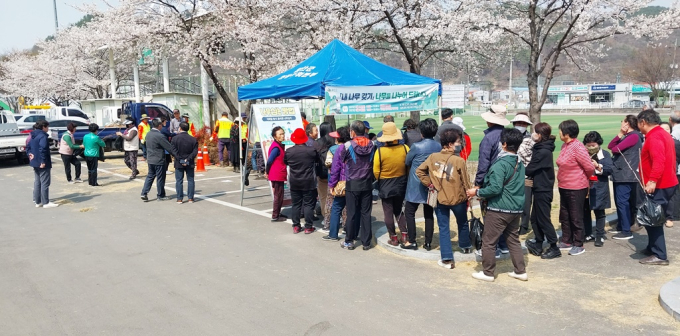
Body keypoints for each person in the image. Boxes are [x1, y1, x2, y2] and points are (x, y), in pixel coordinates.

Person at [466, 128, 527, 282]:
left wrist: (476, 193)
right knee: (513, 240)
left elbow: (495, 188)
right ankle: (520, 270)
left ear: (504, 144)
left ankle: (488, 272)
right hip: (515, 208)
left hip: (499, 208)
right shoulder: (519, 163)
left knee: (489, 241)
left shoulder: (501, 164)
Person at [418, 129, 472, 269]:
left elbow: (419, 171)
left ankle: (447, 258)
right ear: (449, 144)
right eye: (458, 143)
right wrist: (469, 195)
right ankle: (465, 245)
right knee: (463, 222)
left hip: (440, 197)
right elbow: (466, 181)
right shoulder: (459, 160)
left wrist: (429, 183)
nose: (459, 145)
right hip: (458, 198)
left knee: (444, 228)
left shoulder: (432, 157)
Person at [637, 109, 678, 265]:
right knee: (651, 216)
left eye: (639, 123)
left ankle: (660, 255)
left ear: (643, 122)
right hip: (667, 182)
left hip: (660, 184)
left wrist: (652, 180)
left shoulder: (654, 137)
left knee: (653, 218)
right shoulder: (662, 133)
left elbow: (659, 160)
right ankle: (652, 247)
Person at [556, 119, 595, 256]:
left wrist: (588, 180)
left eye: (560, 130)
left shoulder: (578, 147)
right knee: (565, 215)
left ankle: (578, 243)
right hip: (564, 185)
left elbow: (589, 167)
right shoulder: (564, 146)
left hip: (577, 186)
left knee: (576, 215)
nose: (559, 132)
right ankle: (567, 240)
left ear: (566, 132)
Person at [476, 105, 510, 257]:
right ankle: (504, 244)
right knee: (504, 213)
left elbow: (484, 164)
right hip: (509, 179)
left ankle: (494, 247)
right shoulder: (509, 135)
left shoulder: (488, 138)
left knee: (490, 215)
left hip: (491, 180)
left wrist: (478, 184)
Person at [403, 118, 441, 250]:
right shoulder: (438, 146)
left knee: (409, 212)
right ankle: (428, 242)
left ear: (421, 132)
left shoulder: (416, 146)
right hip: (432, 182)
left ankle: (412, 240)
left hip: (416, 182)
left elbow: (407, 162)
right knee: (429, 213)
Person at [338, 120, 375, 250]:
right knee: (366, 213)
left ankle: (349, 241)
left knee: (351, 213)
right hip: (367, 183)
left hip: (352, 183)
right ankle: (366, 242)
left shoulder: (347, 145)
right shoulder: (372, 144)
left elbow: (342, 159)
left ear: (352, 132)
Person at [524, 122, 560, 259]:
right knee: (535, 218)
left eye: (534, 132)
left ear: (539, 135)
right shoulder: (542, 148)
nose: (533, 134)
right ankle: (538, 243)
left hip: (543, 189)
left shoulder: (543, 152)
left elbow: (529, 169)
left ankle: (554, 247)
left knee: (544, 219)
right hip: (539, 187)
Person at [373, 122, 410, 246]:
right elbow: (408, 165)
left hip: (385, 183)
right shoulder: (405, 148)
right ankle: (405, 234)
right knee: (399, 209)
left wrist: (380, 180)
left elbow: (376, 170)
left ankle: (393, 237)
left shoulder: (380, 151)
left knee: (388, 211)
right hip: (401, 181)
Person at [607, 115, 644, 239]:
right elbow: (610, 146)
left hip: (626, 174)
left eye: (623, 122)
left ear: (628, 124)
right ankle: (622, 226)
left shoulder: (633, 136)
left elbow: (615, 149)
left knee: (623, 202)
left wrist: (620, 135)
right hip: (622, 173)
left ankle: (626, 230)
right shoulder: (630, 136)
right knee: (620, 201)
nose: (621, 123)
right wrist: (620, 134)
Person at [285, 128, 323, 234]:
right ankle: (308, 226)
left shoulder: (289, 151)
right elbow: (317, 160)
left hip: (294, 180)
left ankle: (296, 226)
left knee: (296, 204)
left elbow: (286, 162)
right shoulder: (311, 151)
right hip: (308, 180)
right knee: (308, 204)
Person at [581, 131, 613, 247]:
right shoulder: (583, 154)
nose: (590, 148)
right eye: (588, 145)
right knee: (585, 211)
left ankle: (599, 235)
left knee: (599, 212)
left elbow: (610, 170)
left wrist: (598, 167)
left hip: (599, 187)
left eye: (593, 145)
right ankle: (587, 233)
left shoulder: (605, 154)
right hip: (585, 186)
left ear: (598, 144)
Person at [323, 127, 350, 240]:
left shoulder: (334, 149)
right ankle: (348, 229)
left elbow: (330, 165)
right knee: (349, 208)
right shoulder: (352, 147)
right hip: (353, 182)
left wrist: (332, 184)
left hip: (339, 183)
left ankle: (332, 232)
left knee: (335, 207)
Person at [141, 119, 177, 201]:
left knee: (150, 176)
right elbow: (169, 147)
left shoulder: (148, 134)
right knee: (160, 178)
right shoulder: (160, 136)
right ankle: (161, 195)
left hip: (150, 159)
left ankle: (144, 193)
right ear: (159, 125)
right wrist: (177, 155)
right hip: (159, 160)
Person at [27, 120, 59, 208]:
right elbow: (43, 149)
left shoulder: (33, 135)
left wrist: (29, 154)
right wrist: (43, 161)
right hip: (41, 161)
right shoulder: (42, 136)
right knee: (45, 182)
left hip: (34, 161)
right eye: (47, 127)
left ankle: (38, 201)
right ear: (43, 127)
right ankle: (46, 202)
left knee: (37, 182)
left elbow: (28, 146)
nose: (48, 129)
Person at [511, 113, 534, 235]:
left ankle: (524, 226)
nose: (520, 126)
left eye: (523, 124)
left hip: (526, 174)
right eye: (518, 123)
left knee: (526, 202)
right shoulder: (508, 137)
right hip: (511, 175)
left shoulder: (531, 140)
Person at [172, 122, 198, 204]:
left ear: (180, 128)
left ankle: (179, 198)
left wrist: (180, 159)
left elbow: (173, 151)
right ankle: (191, 198)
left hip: (179, 162)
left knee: (179, 180)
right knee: (190, 180)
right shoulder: (193, 139)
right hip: (189, 162)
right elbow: (195, 152)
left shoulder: (175, 139)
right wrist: (188, 159)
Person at [266, 126, 288, 222]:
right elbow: (270, 160)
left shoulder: (279, 145)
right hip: (276, 174)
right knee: (278, 195)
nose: (283, 136)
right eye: (280, 134)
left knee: (280, 194)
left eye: (283, 133)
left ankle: (278, 212)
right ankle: (275, 215)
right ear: (275, 137)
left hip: (278, 173)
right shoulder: (276, 147)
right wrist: (267, 171)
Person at [661, 121, 680, 228]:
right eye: (662, 128)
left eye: (667, 129)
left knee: (670, 196)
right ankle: (659, 216)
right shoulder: (654, 141)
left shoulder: (675, 143)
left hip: (671, 173)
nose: (664, 131)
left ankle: (669, 217)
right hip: (657, 173)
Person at [316, 122, 334, 231]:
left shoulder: (317, 143)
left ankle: (326, 217)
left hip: (321, 173)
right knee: (335, 196)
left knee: (323, 196)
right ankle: (338, 217)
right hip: (334, 173)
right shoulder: (334, 141)